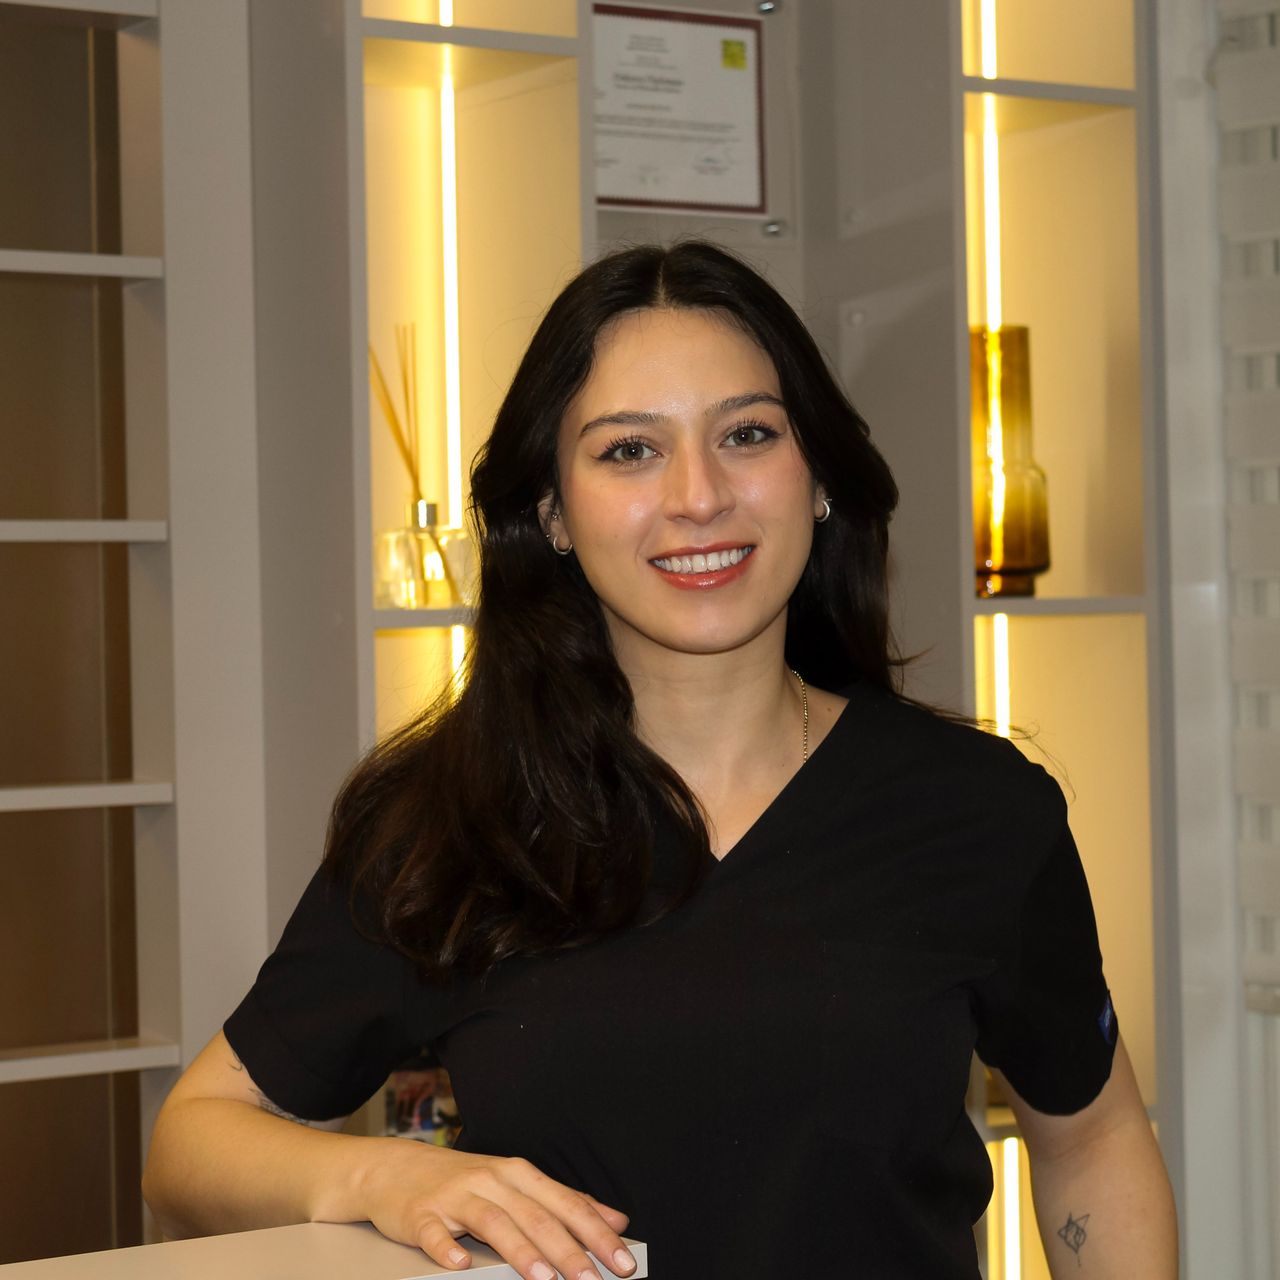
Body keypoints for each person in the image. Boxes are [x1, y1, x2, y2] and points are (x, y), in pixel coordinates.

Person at [142, 240, 1177, 1278]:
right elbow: (193, 1140)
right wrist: (387, 1179)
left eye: (747, 434)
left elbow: (1090, 1140)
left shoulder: (975, 807)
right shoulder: (456, 814)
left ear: (818, 476)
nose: (698, 495)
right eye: (629, 450)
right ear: (551, 511)